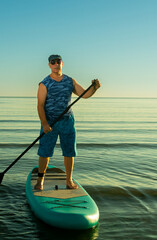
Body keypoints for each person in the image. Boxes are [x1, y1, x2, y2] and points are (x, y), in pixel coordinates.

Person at [35, 54, 101, 190]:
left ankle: (69, 181)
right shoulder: (44, 83)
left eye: (58, 61)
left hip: (67, 121)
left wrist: (94, 88)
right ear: (49, 65)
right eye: (52, 62)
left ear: (62, 63)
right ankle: (40, 181)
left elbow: (85, 94)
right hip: (50, 121)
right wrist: (45, 124)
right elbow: (40, 105)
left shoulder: (70, 81)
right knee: (44, 152)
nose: (55, 64)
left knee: (69, 152)